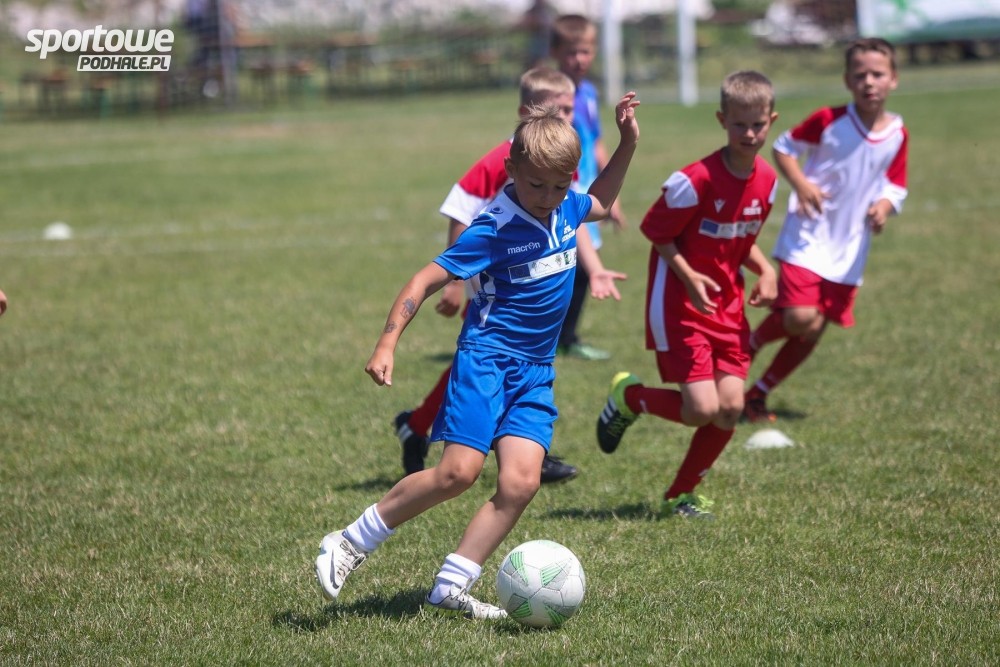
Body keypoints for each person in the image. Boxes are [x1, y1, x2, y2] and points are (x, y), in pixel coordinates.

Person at [316, 95, 640, 618]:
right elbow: (424, 279)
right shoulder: (494, 228)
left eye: (560, 186)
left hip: (536, 373)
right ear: (511, 169)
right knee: (458, 473)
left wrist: (627, 142)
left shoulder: (566, 208)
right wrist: (387, 343)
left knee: (521, 482)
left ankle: (451, 585)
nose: (548, 197)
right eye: (536, 185)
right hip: (486, 360)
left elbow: (599, 201)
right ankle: (350, 541)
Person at [595, 71, 779, 519]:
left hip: (727, 305)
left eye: (757, 125)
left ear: (771, 121)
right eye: (739, 125)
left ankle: (680, 494)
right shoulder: (694, 180)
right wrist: (690, 276)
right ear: (722, 120)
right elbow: (656, 231)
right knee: (701, 409)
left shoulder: (769, 181)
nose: (749, 134)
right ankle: (630, 398)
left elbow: (740, 238)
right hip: (681, 303)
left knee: (730, 407)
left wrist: (767, 271)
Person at [393, 67, 580, 484]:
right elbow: (461, 210)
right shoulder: (505, 161)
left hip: (529, 275)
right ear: (527, 113)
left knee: (493, 363)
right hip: (495, 280)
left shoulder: (559, 158)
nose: (566, 118)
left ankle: (420, 425)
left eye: (570, 109)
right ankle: (513, 448)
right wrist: (458, 282)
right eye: (557, 110)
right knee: (486, 360)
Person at [742, 38, 908, 423]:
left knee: (815, 327)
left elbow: (896, 184)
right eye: (860, 75)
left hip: (849, 247)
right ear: (847, 80)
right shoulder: (828, 120)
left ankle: (758, 393)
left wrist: (883, 207)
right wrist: (801, 184)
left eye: (878, 74)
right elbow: (784, 147)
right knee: (801, 317)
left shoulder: (898, 133)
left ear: (894, 79)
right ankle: (746, 345)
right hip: (808, 234)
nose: (869, 82)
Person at [550, 13, 626, 361]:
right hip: (561, 189)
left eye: (585, 51)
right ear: (555, 52)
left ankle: (565, 337)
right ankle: (556, 336)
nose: (579, 59)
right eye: (571, 52)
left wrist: (613, 197)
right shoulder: (553, 94)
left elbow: (596, 142)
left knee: (581, 266)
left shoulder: (590, 93)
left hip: (587, 191)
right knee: (571, 265)